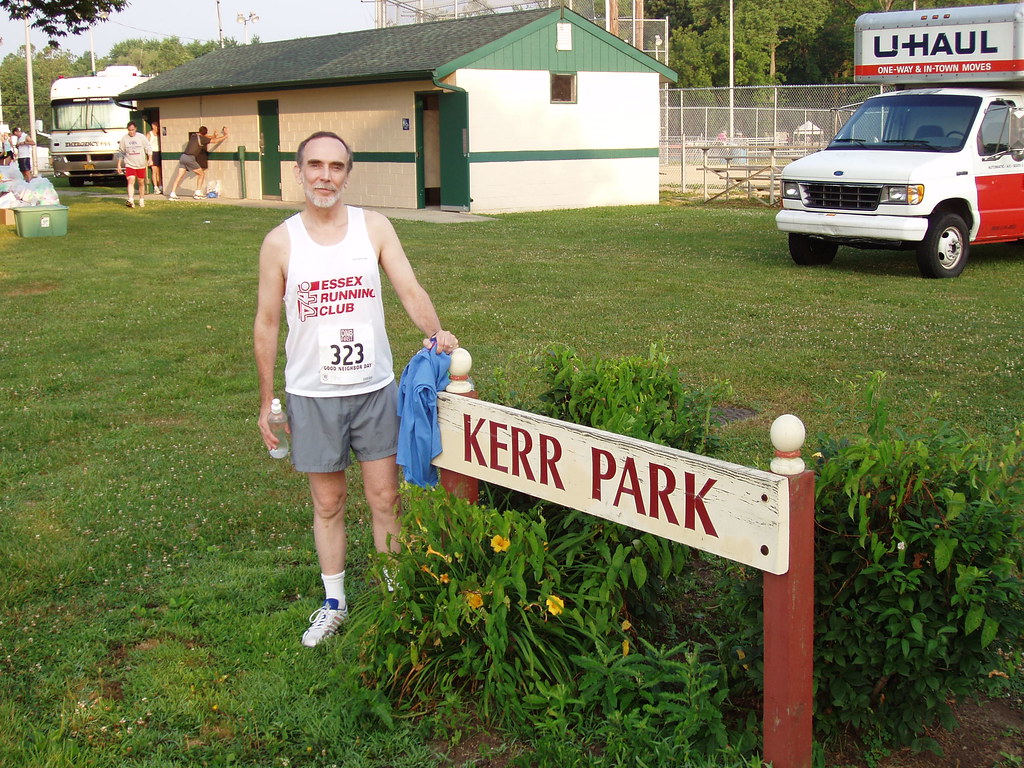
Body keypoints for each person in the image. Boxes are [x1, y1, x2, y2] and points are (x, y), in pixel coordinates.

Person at [254, 131, 459, 648]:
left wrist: (437, 334)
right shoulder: (281, 242)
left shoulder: (375, 228)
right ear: (299, 172)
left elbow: (409, 289)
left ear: (349, 173)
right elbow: (265, 324)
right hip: (313, 394)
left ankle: (393, 597)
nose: (326, 175)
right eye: (316, 165)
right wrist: (265, 403)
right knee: (328, 503)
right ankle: (335, 602)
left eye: (337, 167)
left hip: (374, 390)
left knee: (385, 496)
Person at [167, 125, 228, 200]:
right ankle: (198, 193)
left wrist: (213, 136)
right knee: (201, 174)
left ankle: (172, 194)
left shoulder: (194, 135)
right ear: (205, 133)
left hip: (183, 157)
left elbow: (206, 137)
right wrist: (225, 136)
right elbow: (215, 141)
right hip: (190, 158)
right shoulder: (203, 139)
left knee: (179, 176)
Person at [115, 121, 153, 208]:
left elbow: (148, 147)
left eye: (132, 130)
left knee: (141, 182)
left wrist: (150, 158)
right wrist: (119, 165)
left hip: (140, 163)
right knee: (131, 180)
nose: (131, 132)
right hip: (129, 163)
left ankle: (141, 199)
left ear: (135, 129)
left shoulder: (141, 137)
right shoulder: (124, 139)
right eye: (129, 130)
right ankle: (131, 200)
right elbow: (121, 152)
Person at [147, 122, 162, 194]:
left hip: (158, 151)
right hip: (152, 152)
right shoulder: (150, 134)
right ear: (153, 126)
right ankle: (155, 187)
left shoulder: (159, 134)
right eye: (156, 126)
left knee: (159, 170)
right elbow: (146, 144)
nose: (157, 127)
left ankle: (160, 185)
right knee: (154, 170)